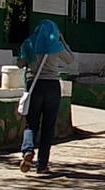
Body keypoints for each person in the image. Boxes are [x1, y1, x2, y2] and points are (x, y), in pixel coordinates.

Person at [17, 19, 75, 174]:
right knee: (48, 126)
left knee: (31, 123)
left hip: (34, 85)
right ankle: (42, 164)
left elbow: (20, 64)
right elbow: (70, 60)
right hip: (52, 87)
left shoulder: (29, 43)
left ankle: (28, 149)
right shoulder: (55, 46)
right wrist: (62, 40)